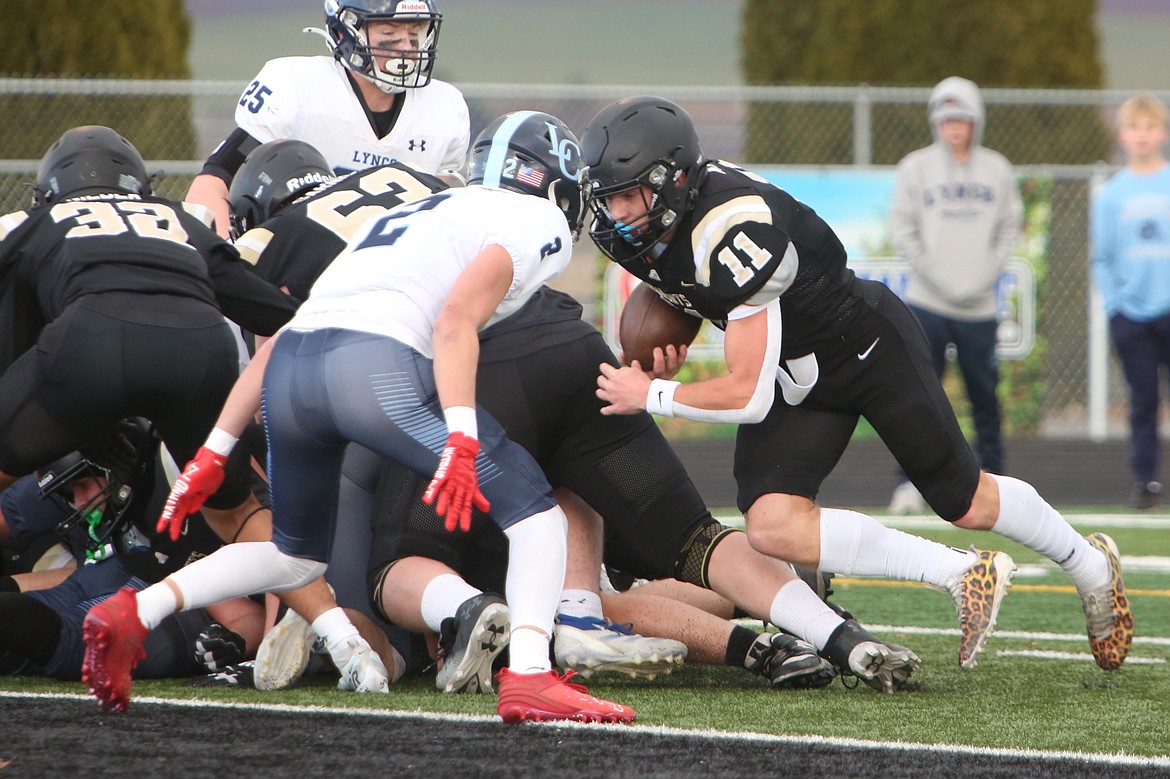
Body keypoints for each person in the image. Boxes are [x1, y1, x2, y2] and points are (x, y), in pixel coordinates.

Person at [223, 140, 917, 696]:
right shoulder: (436, 195)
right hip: (570, 349)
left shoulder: (284, 243)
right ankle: (826, 631)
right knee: (691, 541)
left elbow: (300, 361)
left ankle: (460, 616)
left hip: (457, 381)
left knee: (396, 576)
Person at [81, 110, 635, 725]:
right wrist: (460, 432)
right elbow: (455, 322)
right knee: (534, 513)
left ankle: (136, 611)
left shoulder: (408, 215)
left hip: (292, 372)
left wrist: (215, 448)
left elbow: (284, 337)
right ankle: (530, 676)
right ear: (558, 184)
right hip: (372, 370)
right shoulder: (535, 218)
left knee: (295, 558)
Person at [582, 95, 1134, 673]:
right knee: (771, 524)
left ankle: (1091, 568)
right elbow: (697, 293)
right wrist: (669, 351)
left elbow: (747, 392)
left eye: (628, 195)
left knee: (966, 500)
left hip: (863, 345)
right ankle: (962, 572)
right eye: (608, 197)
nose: (617, 213)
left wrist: (651, 395)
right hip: (795, 367)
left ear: (675, 182)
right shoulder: (641, 226)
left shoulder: (734, 224)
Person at [0, 126, 298, 545]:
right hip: (199, 346)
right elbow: (268, 310)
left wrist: (81, 433)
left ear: (47, 192)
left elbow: (15, 359)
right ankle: (321, 611)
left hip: (91, 339)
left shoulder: (36, 226)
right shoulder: (177, 218)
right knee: (236, 513)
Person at [0, 424, 263, 683]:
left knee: (62, 642)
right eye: (71, 492)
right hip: (106, 579)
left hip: (172, 596)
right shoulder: (91, 481)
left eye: (82, 485)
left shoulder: (173, 483)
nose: (79, 503)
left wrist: (241, 639)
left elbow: (242, 596)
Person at [186, 0, 469, 237]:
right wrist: (228, 260)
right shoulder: (295, 87)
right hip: (292, 267)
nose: (406, 47)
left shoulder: (445, 108)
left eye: (414, 32)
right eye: (390, 33)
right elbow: (213, 181)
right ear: (346, 31)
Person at [887, 76, 1023, 515]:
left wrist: (982, 276)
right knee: (920, 396)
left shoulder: (997, 169)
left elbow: (1009, 228)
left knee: (985, 396)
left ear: (975, 121)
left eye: (962, 119)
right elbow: (904, 232)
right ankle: (910, 484)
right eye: (946, 121)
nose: (954, 129)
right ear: (936, 123)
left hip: (980, 307)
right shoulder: (915, 168)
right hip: (927, 304)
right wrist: (939, 277)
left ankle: (998, 483)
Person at [1091, 92, 1170, 510]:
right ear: (1123, 135)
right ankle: (1146, 482)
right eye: (1134, 128)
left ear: (1163, 132)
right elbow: (1101, 258)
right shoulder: (1111, 194)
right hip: (1132, 316)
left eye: (1150, 127)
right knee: (1143, 401)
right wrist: (1115, 308)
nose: (1142, 136)